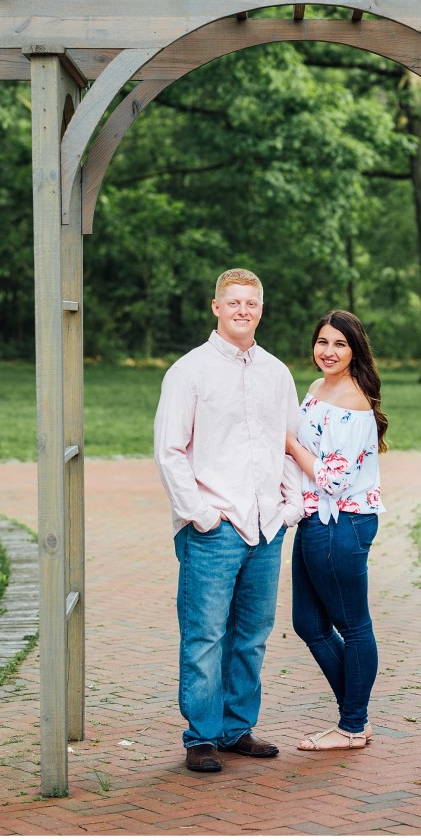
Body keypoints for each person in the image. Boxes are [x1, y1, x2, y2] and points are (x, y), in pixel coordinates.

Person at [154, 268, 304, 773]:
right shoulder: (189, 371)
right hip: (214, 529)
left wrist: (289, 507)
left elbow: (290, 444)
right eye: (234, 302)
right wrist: (199, 515)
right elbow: (170, 450)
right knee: (205, 637)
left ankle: (237, 728)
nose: (243, 310)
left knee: (252, 636)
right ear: (216, 307)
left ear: (261, 309)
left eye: (252, 303)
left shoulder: (276, 373)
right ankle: (201, 736)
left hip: (266, 527)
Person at [285, 310, 388, 751]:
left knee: (354, 625)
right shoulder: (316, 388)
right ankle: (355, 714)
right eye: (323, 342)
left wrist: (288, 444)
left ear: (355, 350)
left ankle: (352, 725)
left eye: (340, 344)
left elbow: (334, 479)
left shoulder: (354, 401)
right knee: (308, 623)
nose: (328, 351)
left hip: (341, 521)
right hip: (315, 517)